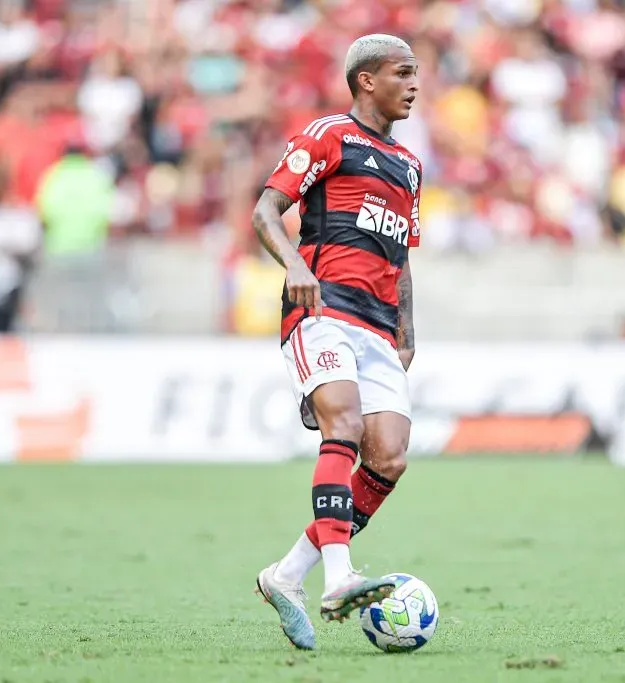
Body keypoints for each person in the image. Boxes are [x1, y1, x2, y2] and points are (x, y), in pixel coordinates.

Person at [250, 33, 422, 650]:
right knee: (343, 426)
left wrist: (406, 329)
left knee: (390, 456)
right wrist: (294, 264)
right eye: (403, 73)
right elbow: (266, 210)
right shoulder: (329, 134)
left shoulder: (409, 165)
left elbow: (400, 258)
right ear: (366, 80)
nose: (414, 84)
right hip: (320, 308)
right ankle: (340, 577)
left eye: (416, 73)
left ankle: (287, 575)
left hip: (378, 326)